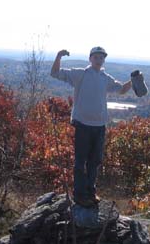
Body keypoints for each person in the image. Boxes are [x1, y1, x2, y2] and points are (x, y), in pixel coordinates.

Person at [51, 46, 132, 208]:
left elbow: (122, 90)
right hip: (82, 124)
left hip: (99, 126)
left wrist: (133, 81)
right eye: (96, 57)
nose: (99, 59)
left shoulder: (105, 77)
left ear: (103, 60)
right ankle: (80, 195)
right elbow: (55, 73)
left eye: (101, 57)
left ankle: (90, 191)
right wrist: (58, 56)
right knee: (81, 162)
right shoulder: (80, 73)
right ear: (90, 59)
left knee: (94, 162)